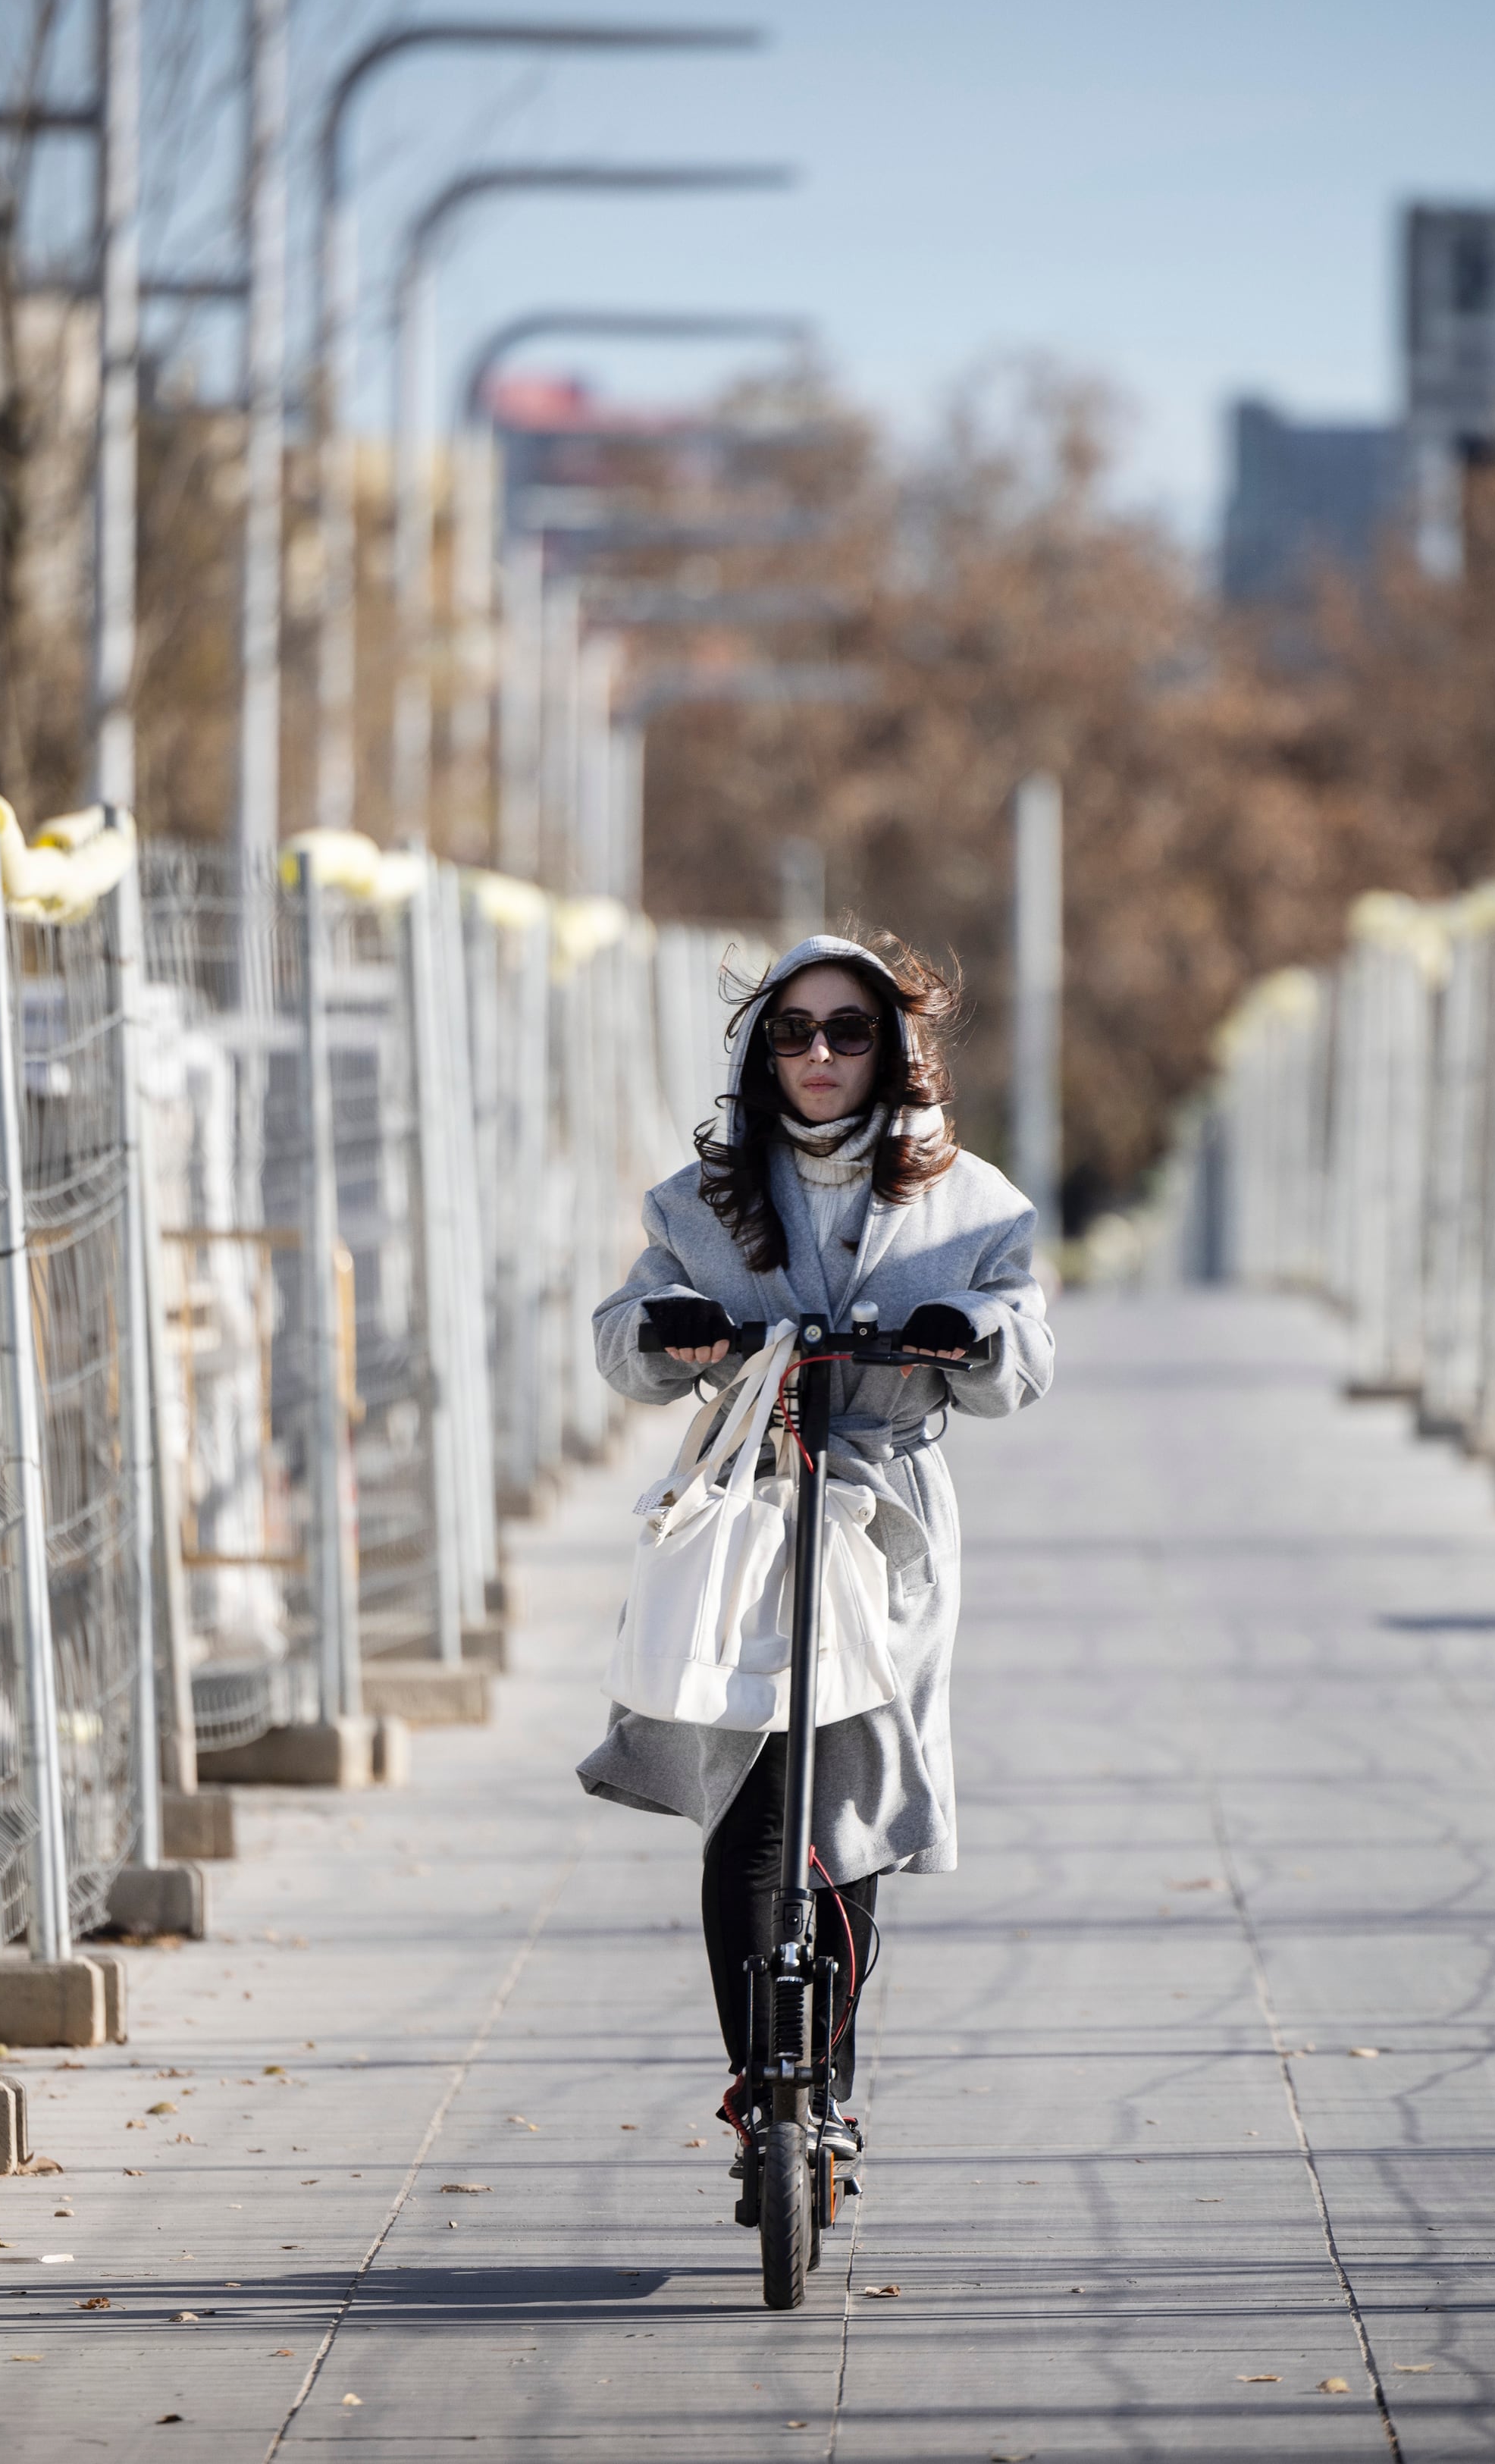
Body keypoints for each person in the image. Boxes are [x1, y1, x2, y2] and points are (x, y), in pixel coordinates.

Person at [583, 930, 1054, 2183]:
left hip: (880, 1516)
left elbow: (1025, 1347)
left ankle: (825, 2084)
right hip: (751, 1504)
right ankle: (762, 2083)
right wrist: (671, 1330)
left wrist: (971, 1334)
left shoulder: (971, 1198)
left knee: (846, 1804)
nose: (822, 1056)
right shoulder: (701, 1198)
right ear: (758, 1052)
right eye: (793, 1033)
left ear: (895, 1047)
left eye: (850, 1031)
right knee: (746, 1791)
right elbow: (623, 1334)